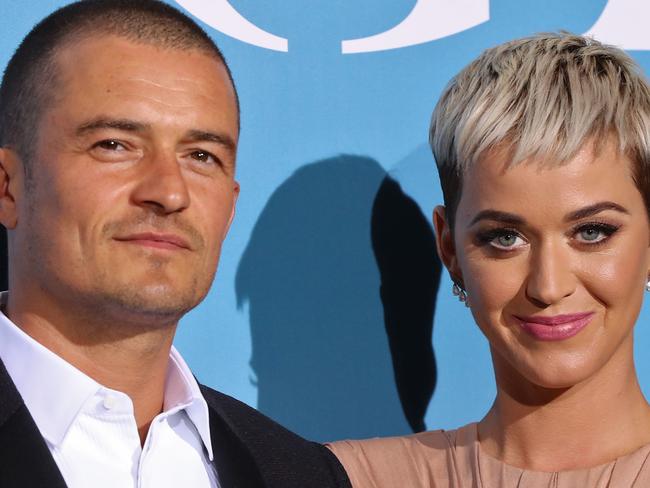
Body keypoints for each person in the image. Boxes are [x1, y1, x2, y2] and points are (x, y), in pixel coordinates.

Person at [0, 1, 351, 487]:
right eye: (114, 144)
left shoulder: (302, 473)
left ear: (228, 209)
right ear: (8, 186)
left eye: (202, 155)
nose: (169, 193)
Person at [328, 32, 650, 486]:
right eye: (505, 237)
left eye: (592, 232)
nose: (548, 285)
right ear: (450, 249)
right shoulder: (348, 478)